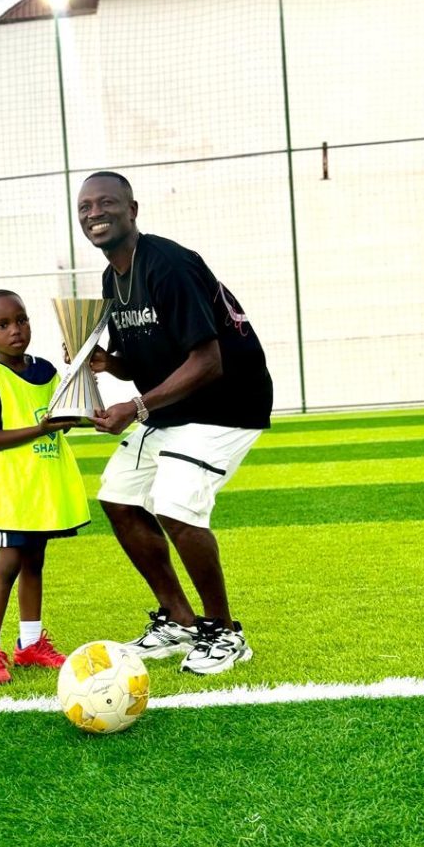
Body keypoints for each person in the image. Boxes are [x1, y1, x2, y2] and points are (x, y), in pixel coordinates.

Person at [76, 171, 273, 675]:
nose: (94, 213)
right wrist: (108, 364)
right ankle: (179, 620)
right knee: (118, 498)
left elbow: (208, 361)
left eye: (106, 203)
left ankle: (225, 633)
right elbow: (145, 357)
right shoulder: (111, 279)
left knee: (175, 505)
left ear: (132, 210)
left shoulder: (168, 265)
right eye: (85, 207)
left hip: (225, 404)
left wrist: (136, 407)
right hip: (172, 408)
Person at [0, 289, 90, 685]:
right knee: (8, 566)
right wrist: (38, 429)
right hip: (10, 495)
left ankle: (31, 644)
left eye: (21, 320)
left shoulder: (46, 371)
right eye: (2, 325)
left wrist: (77, 378)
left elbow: (61, 417)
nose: (15, 330)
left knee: (35, 562)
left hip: (41, 491)